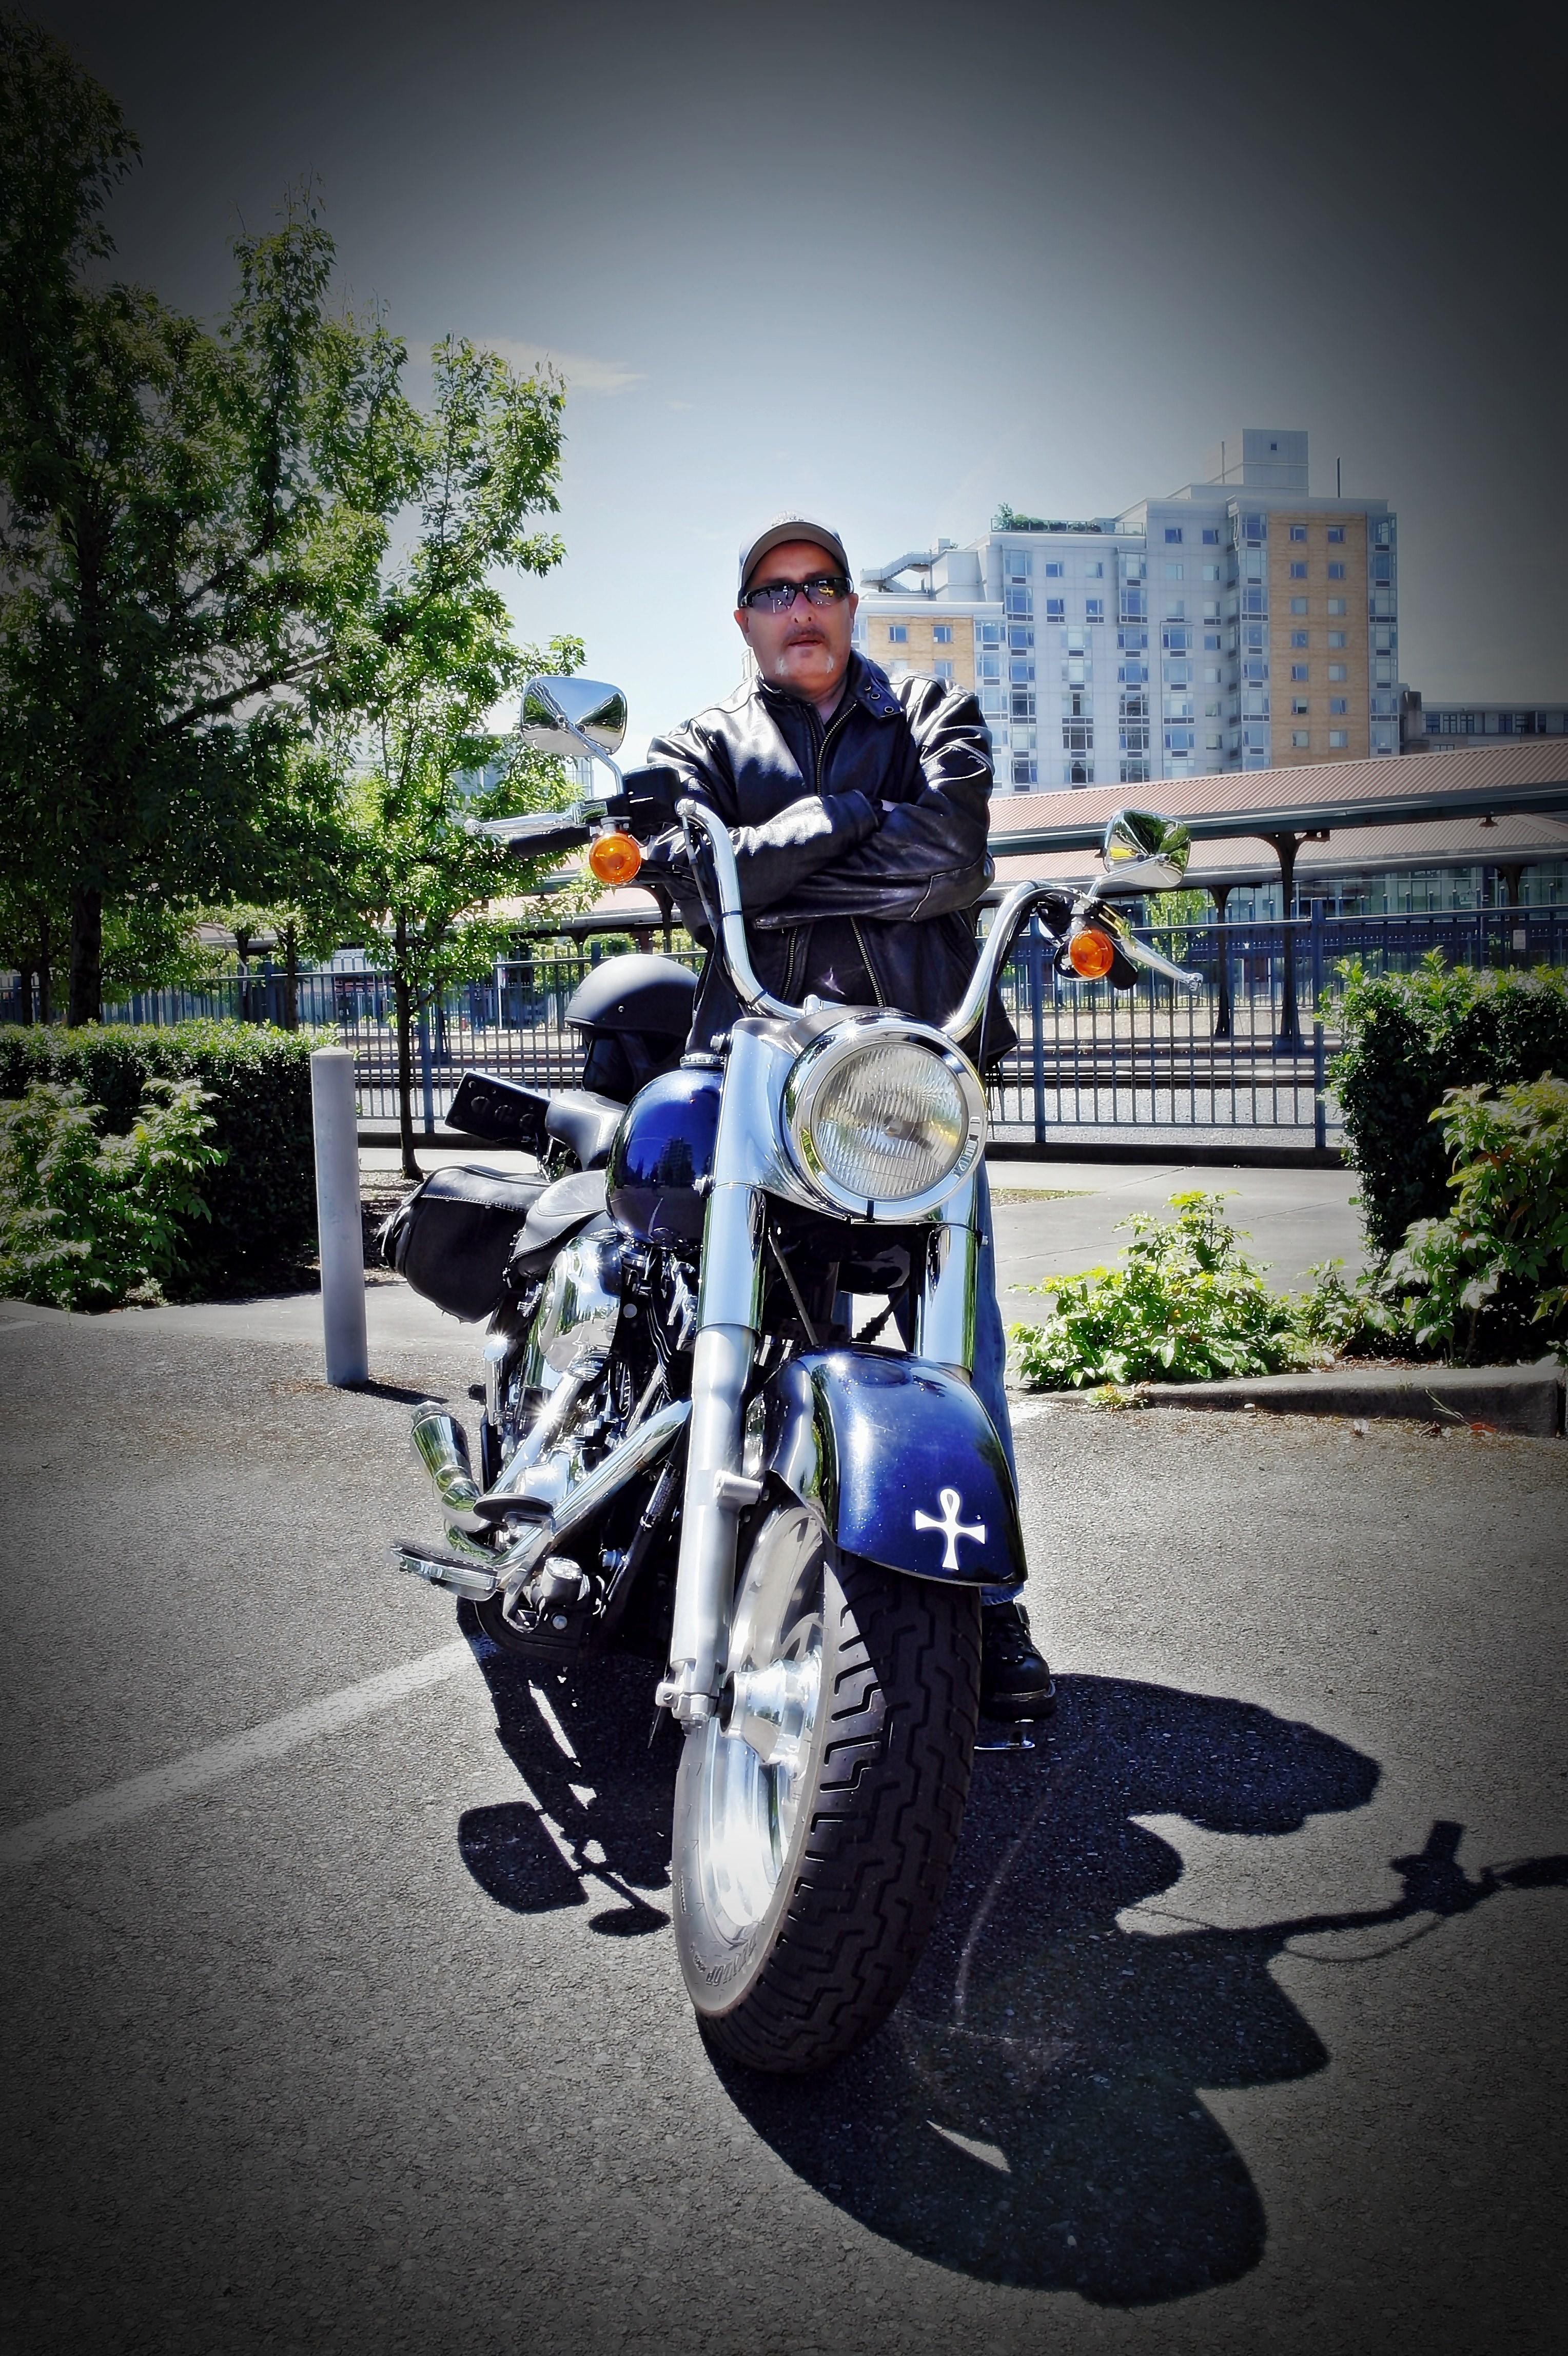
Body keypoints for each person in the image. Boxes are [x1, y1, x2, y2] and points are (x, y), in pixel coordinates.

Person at [644, 513, 1054, 1721]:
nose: (801, 605)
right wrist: (844, 819)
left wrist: (773, 872)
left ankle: (982, 1601)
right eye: (776, 590)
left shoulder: (930, 712)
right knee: (713, 1311)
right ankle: (690, 1548)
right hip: (760, 1066)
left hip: (907, 1081)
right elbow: (692, 880)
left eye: (820, 583)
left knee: (960, 1345)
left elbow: (953, 858)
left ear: (850, 603)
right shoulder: (699, 742)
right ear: (745, 619)